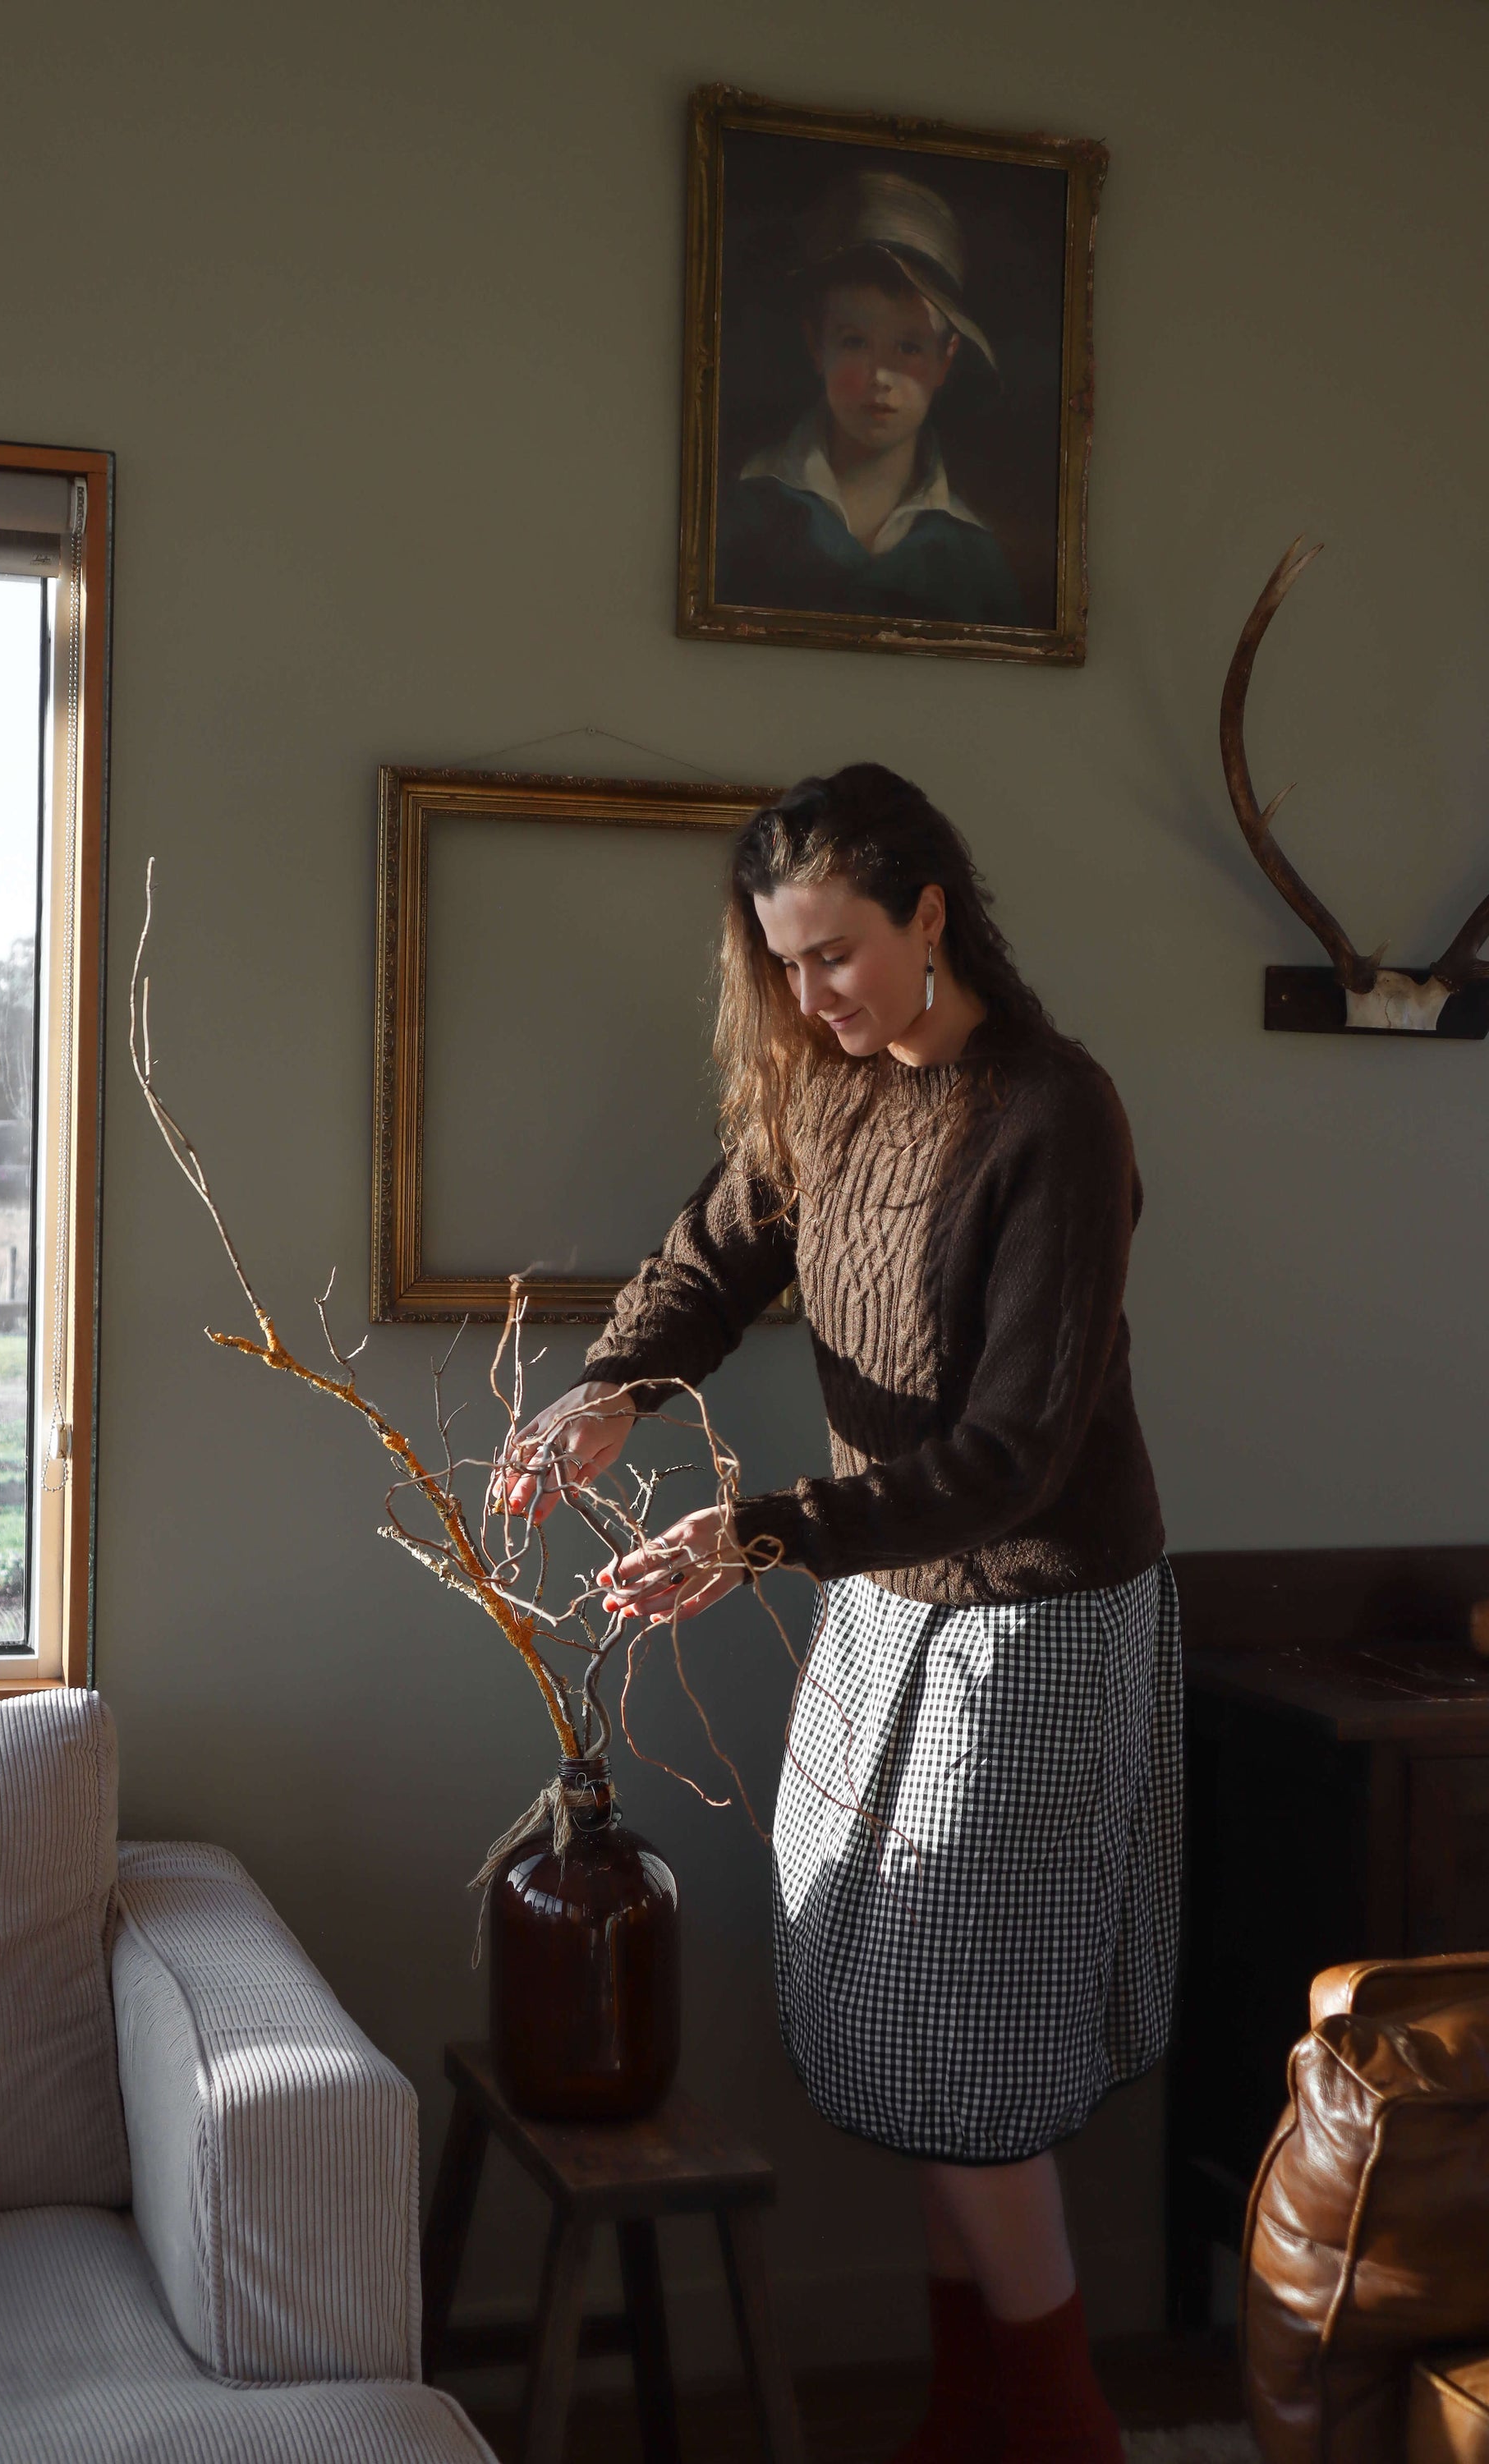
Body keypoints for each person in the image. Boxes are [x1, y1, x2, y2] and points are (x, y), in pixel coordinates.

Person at [499, 762, 1180, 2464]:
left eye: (835, 954)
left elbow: (1015, 1456)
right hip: (882, 1598)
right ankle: (969, 2422)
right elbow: (709, 1260)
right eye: (783, 964)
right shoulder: (828, 1098)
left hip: (1034, 1619)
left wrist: (763, 1533)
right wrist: (609, 1393)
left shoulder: (1053, 1115)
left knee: (974, 2059)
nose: (808, 997)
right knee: (908, 2026)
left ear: (930, 913)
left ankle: (1063, 2435)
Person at [717, 172, 1025, 627]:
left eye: (909, 347)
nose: (880, 377)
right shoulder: (745, 508)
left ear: (945, 359)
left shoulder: (974, 557)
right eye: (855, 342)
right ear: (816, 345)